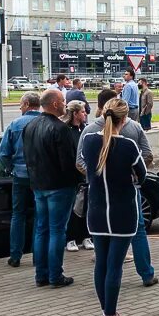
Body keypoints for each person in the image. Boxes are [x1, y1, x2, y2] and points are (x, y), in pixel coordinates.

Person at [78, 88, 158, 286]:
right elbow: (147, 155)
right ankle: (146, 273)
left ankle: (106, 286)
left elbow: (79, 162)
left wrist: (95, 176)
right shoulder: (134, 128)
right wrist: (133, 175)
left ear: (101, 107)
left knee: (102, 238)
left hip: (99, 194)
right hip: (128, 193)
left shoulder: (88, 133)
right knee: (137, 230)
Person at [81, 99, 146, 316]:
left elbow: (83, 164)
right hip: (122, 212)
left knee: (102, 263)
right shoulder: (128, 145)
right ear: (125, 119)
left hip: (97, 211)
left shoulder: (89, 141)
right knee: (114, 266)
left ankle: (107, 313)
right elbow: (143, 175)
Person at [23, 90, 78, 288]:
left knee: (41, 230)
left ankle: (41, 275)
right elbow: (67, 162)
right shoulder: (60, 128)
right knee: (57, 231)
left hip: (38, 184)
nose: (65, 104)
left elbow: (27, 157)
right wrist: (77, 180)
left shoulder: (30, 126)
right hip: (59, 186)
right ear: (55, 104)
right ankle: (55, 275)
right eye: (63, 101)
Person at [0, 93, 43, 267]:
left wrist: (11, 168)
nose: (19, 108)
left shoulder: (15, 125)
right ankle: (37, 256)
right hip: (41, 177)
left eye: (21, 104)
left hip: (20, 176)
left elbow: (3, 153)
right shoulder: (46, 123)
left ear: (26, 104)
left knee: (18, 215)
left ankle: (15, 255)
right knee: (40, 216)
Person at [63, 101, 93, 252]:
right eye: (82, 112)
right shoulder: (66, 131)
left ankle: (86, 236)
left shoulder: (86, 130)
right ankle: (70, 238)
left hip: (85, 176)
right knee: (74, 209)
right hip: (72, 177)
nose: (85, 114)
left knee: (86, 207)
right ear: (75, 114)